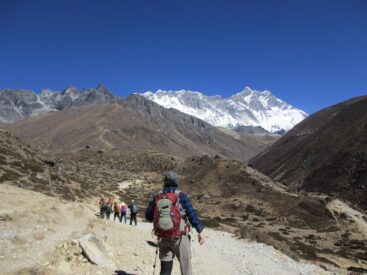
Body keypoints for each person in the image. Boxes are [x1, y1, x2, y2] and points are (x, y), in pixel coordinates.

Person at [145, 171, 205, 275]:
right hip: (179, 237)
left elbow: (148, 217)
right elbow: (191, 214)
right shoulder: (180, 196)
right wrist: (200, 231)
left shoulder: (157, 196)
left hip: (162, 237)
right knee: (186, 268)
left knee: (165, 268)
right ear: (176, 182)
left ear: (165, 182)